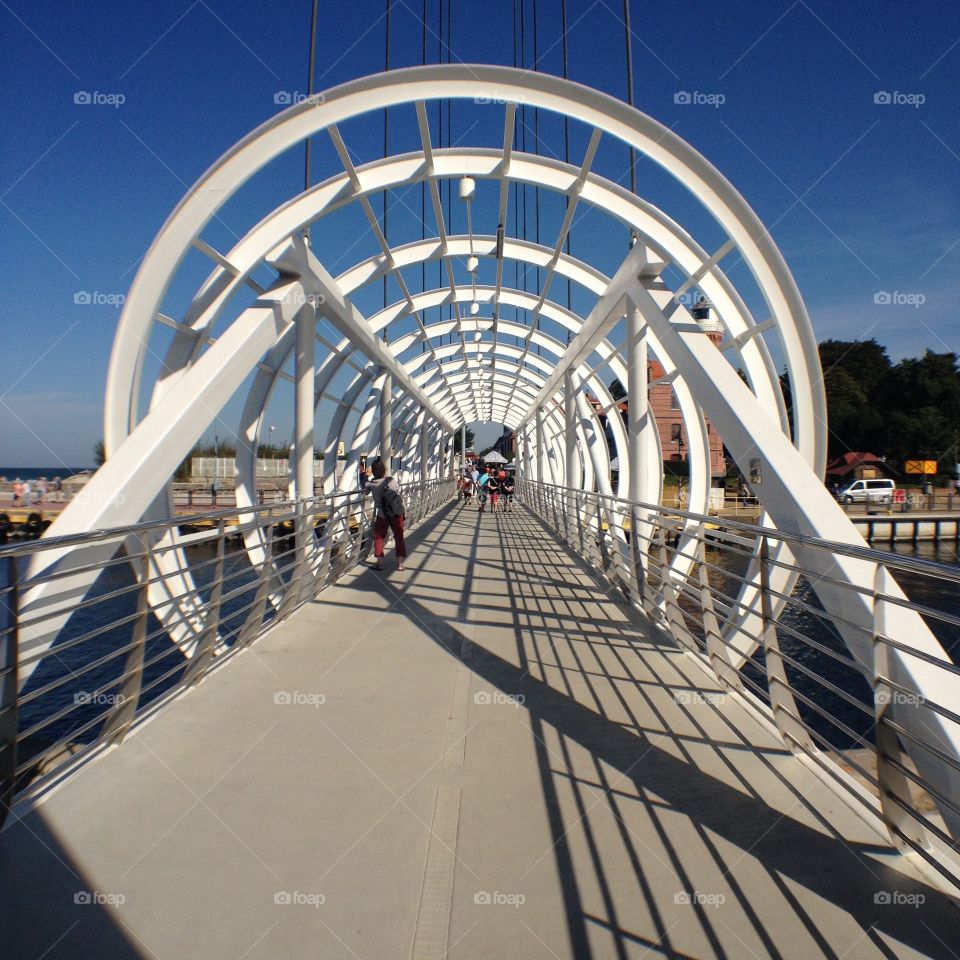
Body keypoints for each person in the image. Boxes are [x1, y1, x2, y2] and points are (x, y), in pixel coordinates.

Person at [363, 460, 407, 571]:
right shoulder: (391, 480)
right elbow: (397, 490)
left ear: (373, 471)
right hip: (396, 513)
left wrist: (366, 476)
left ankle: (380, 563)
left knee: (379, 537)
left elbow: (364, 491)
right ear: (384, 469)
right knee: (399, 537)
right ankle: (400, 564)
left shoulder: (371, 484)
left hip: (382, 515)